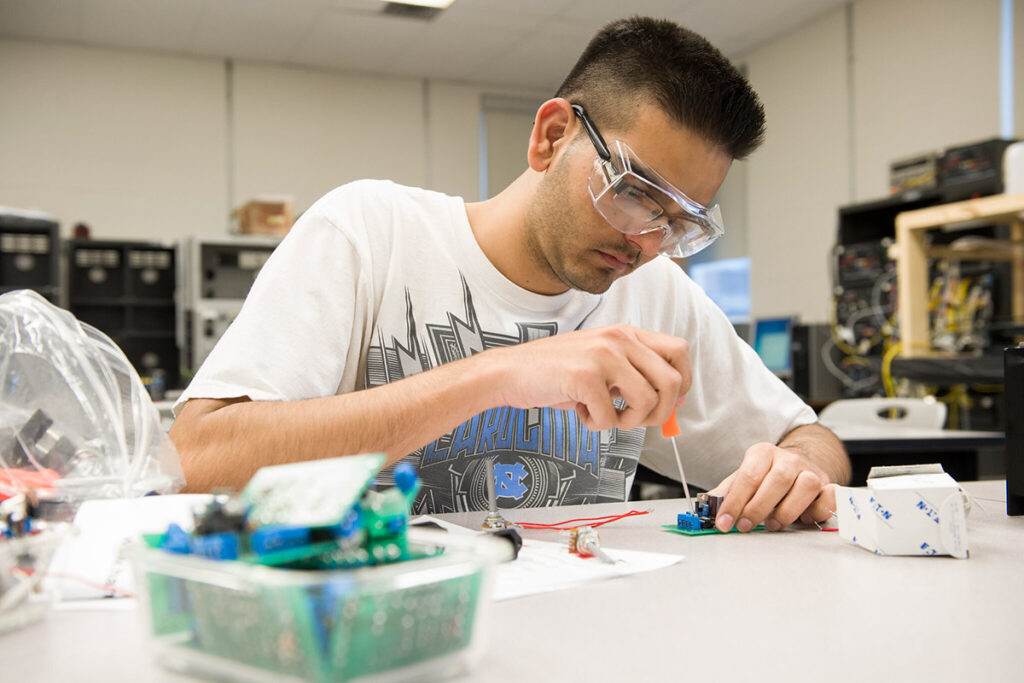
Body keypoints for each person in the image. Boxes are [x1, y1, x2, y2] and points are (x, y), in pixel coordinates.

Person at [170, 16, 850, 533]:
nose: (646, 240)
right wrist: (499, 374)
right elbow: (196, 458)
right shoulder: (369, 232)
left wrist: (802, 469)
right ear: (551, 137)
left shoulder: (656, 292)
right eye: (637, 192)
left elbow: (810, 437)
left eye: (679, 222)